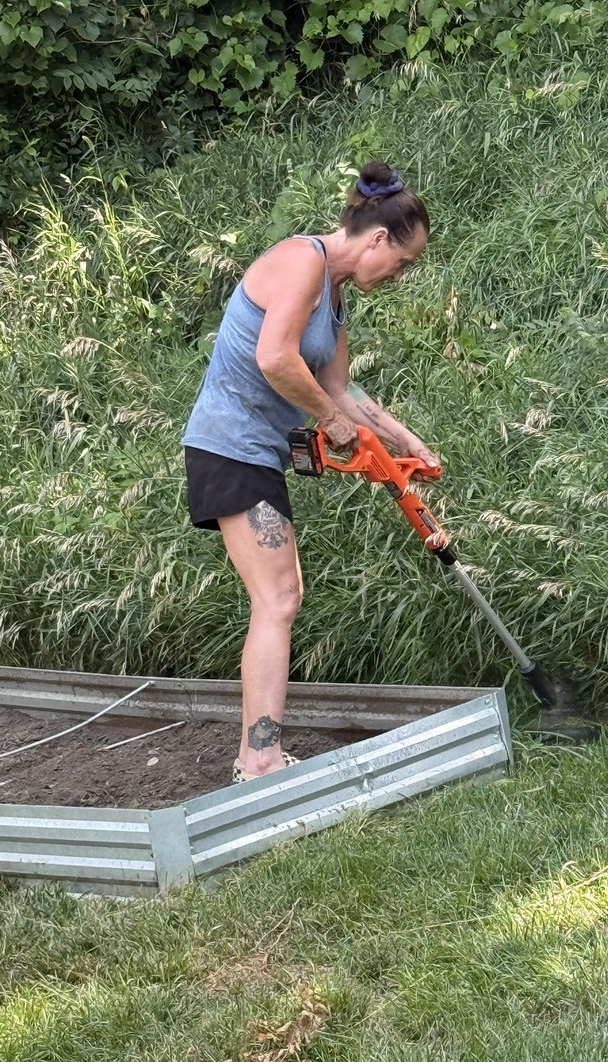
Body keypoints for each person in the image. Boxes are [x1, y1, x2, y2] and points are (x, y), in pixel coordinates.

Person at [182, 160, 439, 784]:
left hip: (255, 454)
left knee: (282, 595)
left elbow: (341, 392)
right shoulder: (301, 261)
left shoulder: (337, 298)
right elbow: (275, 358)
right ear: (376, 238)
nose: (399, 275)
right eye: (401, 263)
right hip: (227, 445)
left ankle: (259, 757)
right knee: (277, 597)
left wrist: (408, 442)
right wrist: (328, 419)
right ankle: (259, 762)